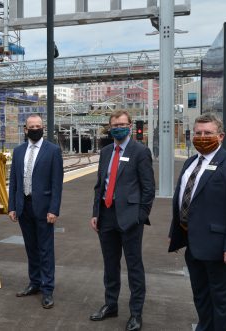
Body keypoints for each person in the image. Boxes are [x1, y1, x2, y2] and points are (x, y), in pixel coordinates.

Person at [168, 113, 226, 330]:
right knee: (202, 299)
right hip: (193, 246)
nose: (202, 137)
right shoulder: (189, 162)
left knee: (224, 304)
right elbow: (184, 199)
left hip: (221, 249)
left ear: (221, 136)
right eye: (198, 133)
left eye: (208, 133)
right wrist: (175, 231)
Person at [89, 110, 155, 331]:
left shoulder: (141, 152)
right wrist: (95, 213)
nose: (118, 127)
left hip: (130, 219)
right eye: (114, 124)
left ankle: (136, 313)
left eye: (122, 124)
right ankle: (111, 304)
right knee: (110, 265)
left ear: (130, 126)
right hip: (106, 216)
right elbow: (100, 185)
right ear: (110, 127)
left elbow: (148, 188)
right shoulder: (106, 151)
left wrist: (140, 216)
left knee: (134, 266)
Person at [8, 114, 63, 309]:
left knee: (45, 250)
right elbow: (14, 180)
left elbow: (57, 184)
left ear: (43, 128)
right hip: (24, 207)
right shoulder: (18, 151)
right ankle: (34, 283)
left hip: (44, 208)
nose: (35, 129)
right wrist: (12, 206)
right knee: (31, 249)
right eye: (31, 126)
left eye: (38, 126)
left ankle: (47, 290)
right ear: (25, 129)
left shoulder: (53, 151)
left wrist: (54, 209)